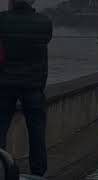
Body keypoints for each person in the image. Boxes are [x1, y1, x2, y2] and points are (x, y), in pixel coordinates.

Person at [0, 0, 52, 176]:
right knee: (37, 131)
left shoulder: (2, 19)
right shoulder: (44, 22)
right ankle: (38, 172)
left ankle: (2, 167)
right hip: (33, 84)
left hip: (5, 84)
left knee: (0, 128)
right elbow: (43, 52)